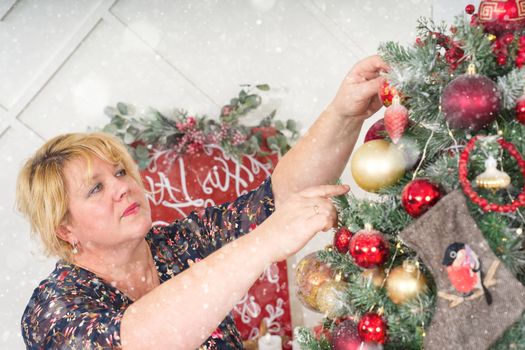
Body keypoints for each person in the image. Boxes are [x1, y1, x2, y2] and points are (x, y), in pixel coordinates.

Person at [17, 55, 388, 349]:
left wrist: (344, 113)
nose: (122, 187)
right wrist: (265, 242)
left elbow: (274, 201)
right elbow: (134, 341)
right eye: (95, 189)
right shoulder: (53, 308)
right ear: (64, 228)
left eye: (119, 172)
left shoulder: (177, 246)